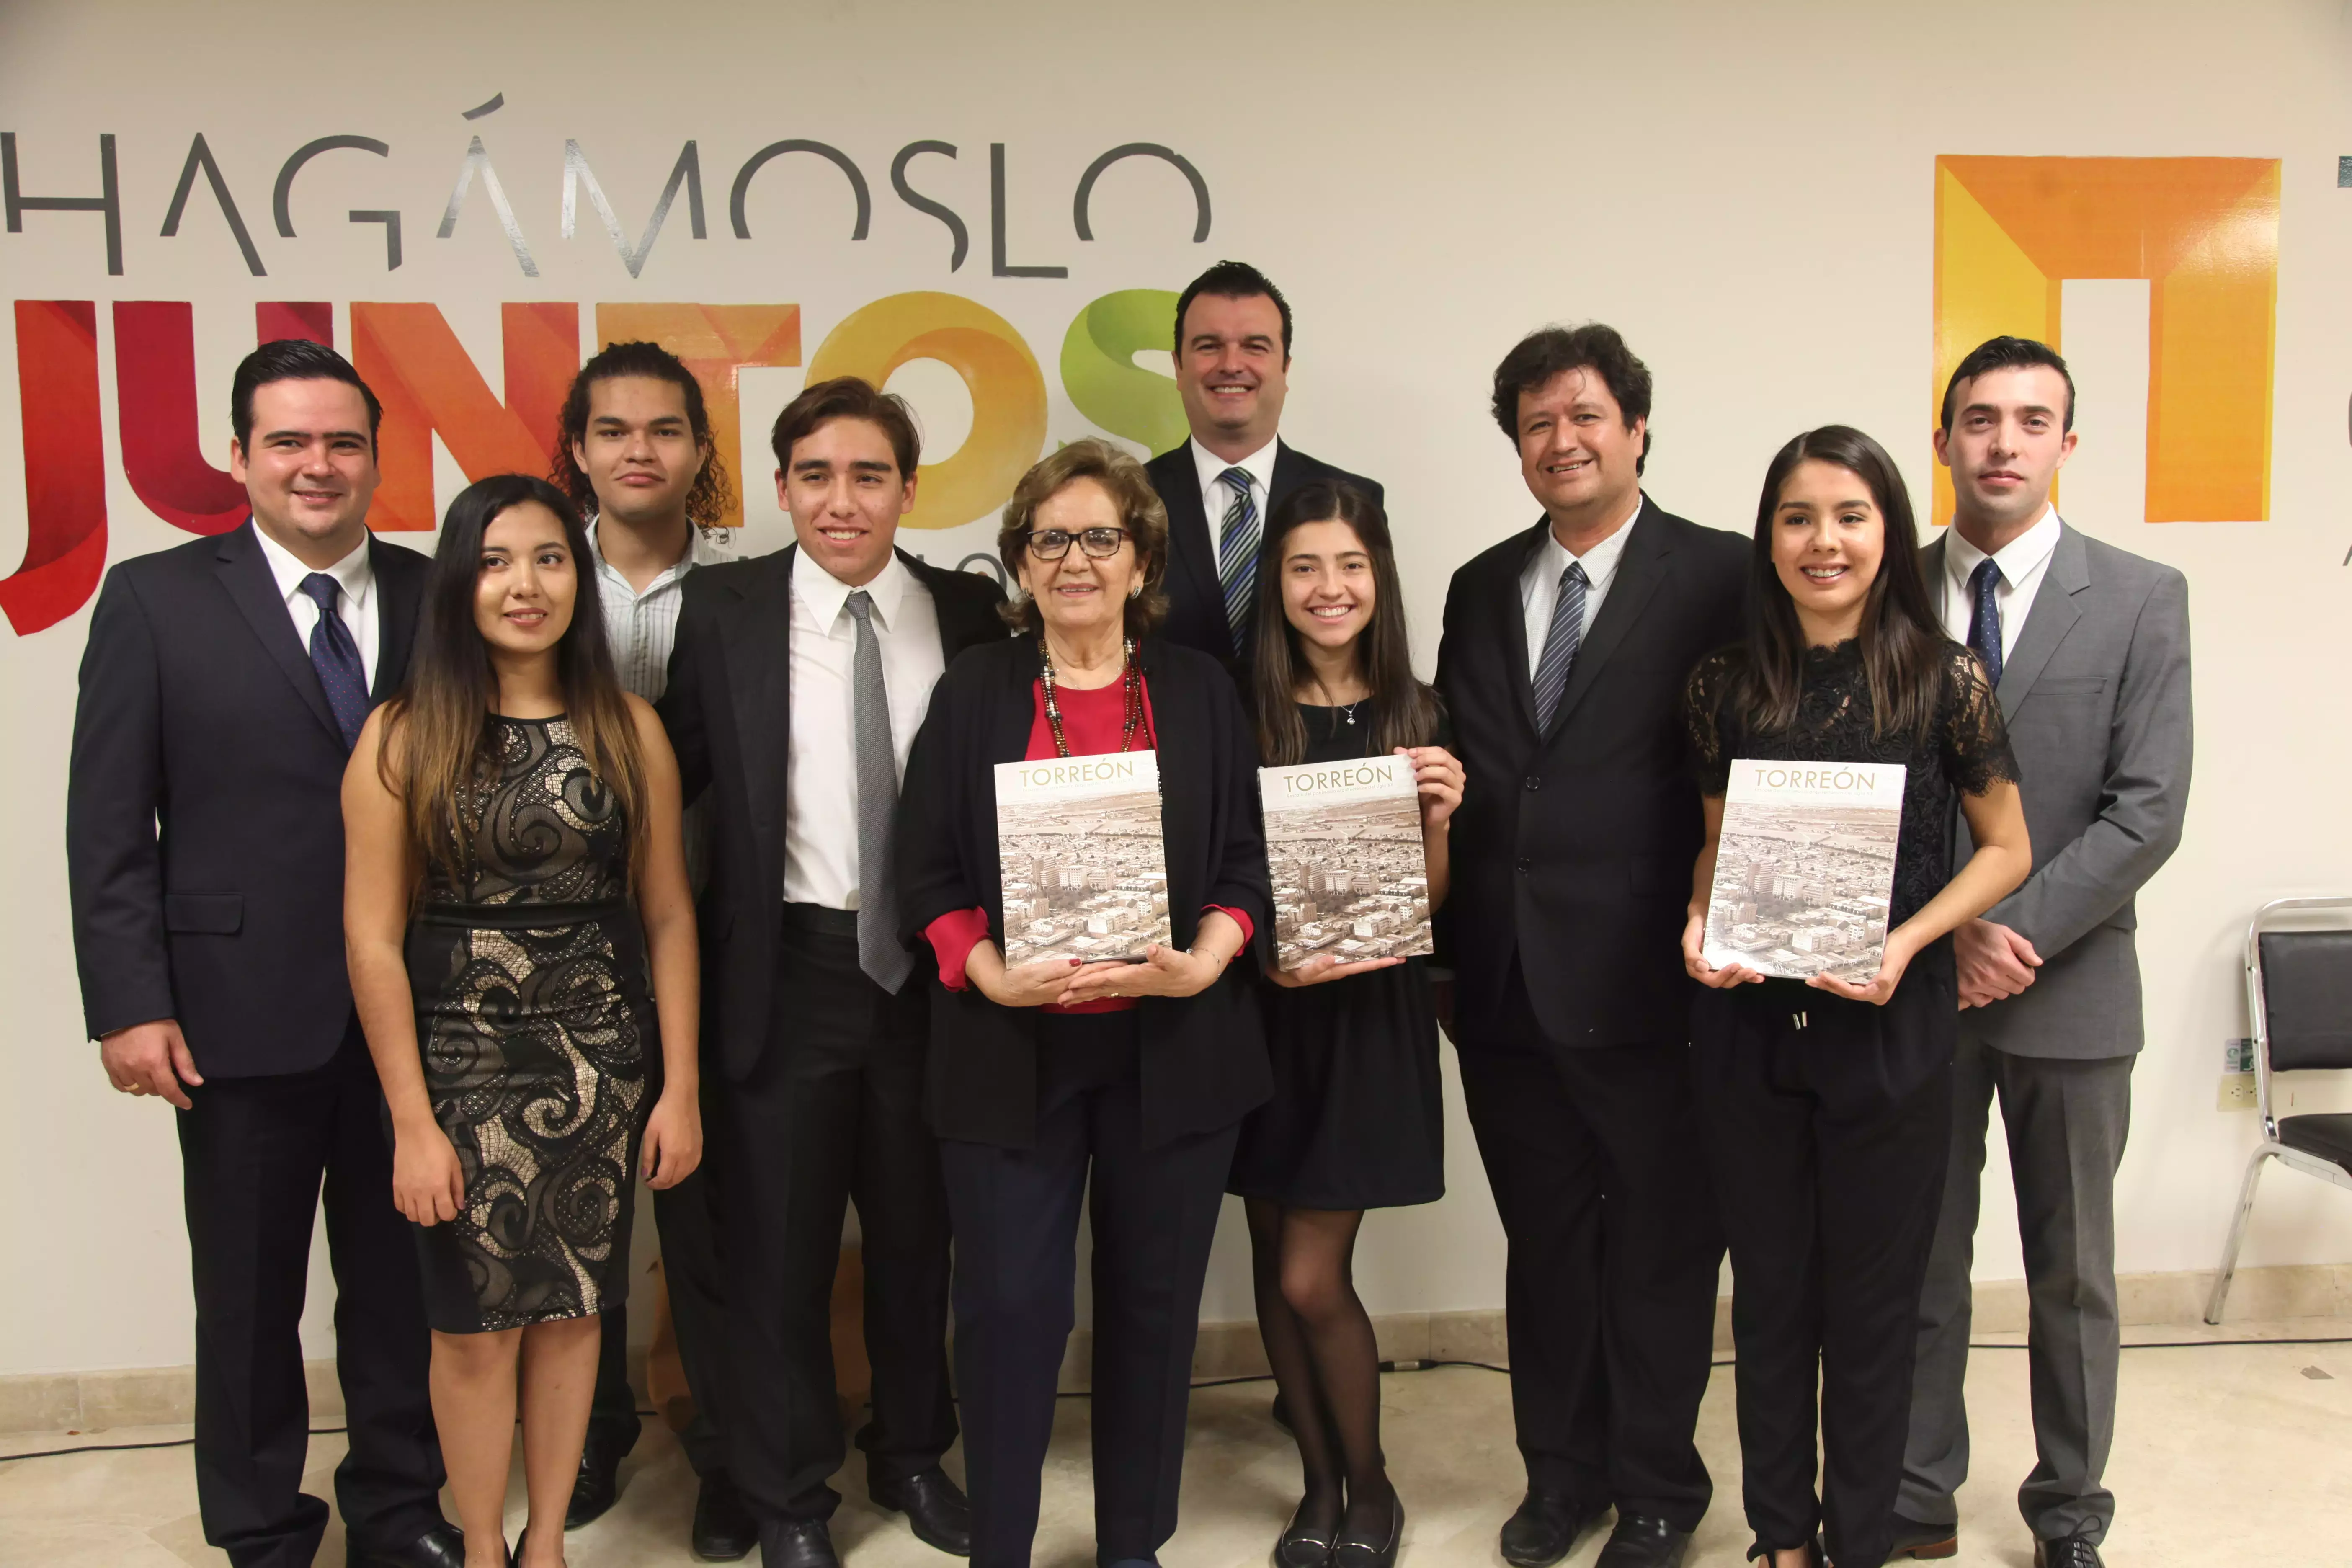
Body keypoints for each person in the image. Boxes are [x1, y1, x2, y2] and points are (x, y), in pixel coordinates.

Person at [66, 339, 461, 1568]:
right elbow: (108, 823)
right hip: (235, 1015)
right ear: (238, 456)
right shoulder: (155, 600)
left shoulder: (442, 594)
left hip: (418, 1019)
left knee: (401, 1294)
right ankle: (260, 1529)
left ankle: (398, 1515)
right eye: (288, 441)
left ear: (377, 459)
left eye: (343, 442)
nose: (318, 465)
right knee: (247, 1302)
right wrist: (130, 1003)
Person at [895, 439, 1271, 1568]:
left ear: (1141, 557)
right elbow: (924, 871)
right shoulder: (977, 691)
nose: (1074, 559)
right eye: (1049, 538)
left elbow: (1247, 864)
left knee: (1154, 1316)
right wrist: (985, 969)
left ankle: (1131, 1547)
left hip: (1173, 1047)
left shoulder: (1201, 691)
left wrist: (1209, 958)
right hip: (1013, 1051)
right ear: (1019, 560)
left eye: (1099, 536)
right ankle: (1000, 1544)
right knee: (1012, 1313)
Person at [657, 376, 1006, 1568]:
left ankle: (912, 1453)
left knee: (918, 1241)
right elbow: (672, 786)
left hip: (935, 979)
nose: (842, 500)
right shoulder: (725, 612)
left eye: (869, 476)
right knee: (781, 1254)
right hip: (787, 976)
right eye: (816, 475)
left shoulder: (967, 616)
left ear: (911, 489)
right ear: (783, 487)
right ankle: (791, 1496)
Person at [1681, 426, 2032, 1568]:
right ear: (1769, 537)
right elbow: (1717, 851)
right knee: (1773, 1306)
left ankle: (1860, 1544)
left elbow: (2006, 848)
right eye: (1797, 517)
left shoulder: (1945, 681)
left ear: (1889, 530)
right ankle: (1783, 1540)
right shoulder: (1723, 685)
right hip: (1750, 1037)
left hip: (1891, 1035)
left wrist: (1913, 939)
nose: (1823, 541)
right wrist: (1700, 924)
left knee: (1875, 1315)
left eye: (1850, 515)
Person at [343, 473, 703, 1568]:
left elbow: (671, 917)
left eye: (550, 559)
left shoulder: (627, 728)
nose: (525, 585)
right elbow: (370, 940)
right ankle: (482, 1544)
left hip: (597, 1066)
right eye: (497, 561)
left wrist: (678, 1087)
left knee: (574, 1316)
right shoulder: (404, 737)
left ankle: (545, 1545)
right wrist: (411, 1120)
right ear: (462, 582)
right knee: (471, 1332)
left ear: (577, 581)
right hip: (461, 1075)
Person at [1432, 324, 1745, 1568]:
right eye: (1535, 424)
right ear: (1516, 446)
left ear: (1637, 429)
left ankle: (1662, 1487)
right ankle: (1558, 1475)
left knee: (1665, 1246)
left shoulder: (1723, 576)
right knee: (1546, 1246)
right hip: (1502, 986)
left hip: (1656, 982)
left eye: (1584, 417)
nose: (1560, 441)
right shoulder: (1476, 585)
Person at [1893, 340, 2192, 1568]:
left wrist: (2006, 931)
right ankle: (1914, 1494)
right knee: (1919, 1262)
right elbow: (1867, 795)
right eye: (1979, 419)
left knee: (2073, 1274)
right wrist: (1944, 929)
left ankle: (2070, 1513)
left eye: (2031, 420)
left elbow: (2148, 808)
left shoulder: (2140, 594)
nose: (2003, 442)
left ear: (2069, 444)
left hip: (2070, 989)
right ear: (1946, 440)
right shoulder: (1886, 590)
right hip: (1917, 988)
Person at [1230, 480, 1464, 1568]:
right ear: (1276, 587)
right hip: (1261, 1018)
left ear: (1380, 580)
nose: (1331, 589)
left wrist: (1436, 820)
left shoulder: (1420, 713)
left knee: (1307, 1277)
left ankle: (1372, 1486)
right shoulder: (1242, 711)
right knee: (1271, 1249)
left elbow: (1427, 899)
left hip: (1366, 1023)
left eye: (1351, 566)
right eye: (1305, 568)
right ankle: (1318, 1485)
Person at [547, 338, 751, 1559]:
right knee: (575, 1219)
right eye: (614, 430)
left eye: (665, 430)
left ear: (698, 453)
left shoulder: (744, 593)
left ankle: (725, 1452)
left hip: (705, 948)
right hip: (550, 957)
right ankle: (588, 1436)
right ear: (578, 449)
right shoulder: (526, 577)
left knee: (709, 1215)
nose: (639, 451)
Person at [1143, 260, 1384, 669]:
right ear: (1178, 368)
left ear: (1285, 367)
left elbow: (1376, 655)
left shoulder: (1354, 499)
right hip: (1164, 733)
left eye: (1255, 346)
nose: (1231, 364)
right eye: (1208, 346)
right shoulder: (1128, 499)